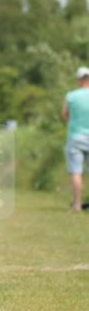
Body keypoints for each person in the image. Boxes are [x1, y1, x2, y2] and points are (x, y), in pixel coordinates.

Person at [61, 66, 89, 212]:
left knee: (76, 172)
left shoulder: (71, 96)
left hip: (76, 137)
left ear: (79, 80)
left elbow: (64, 115)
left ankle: (77, 204)